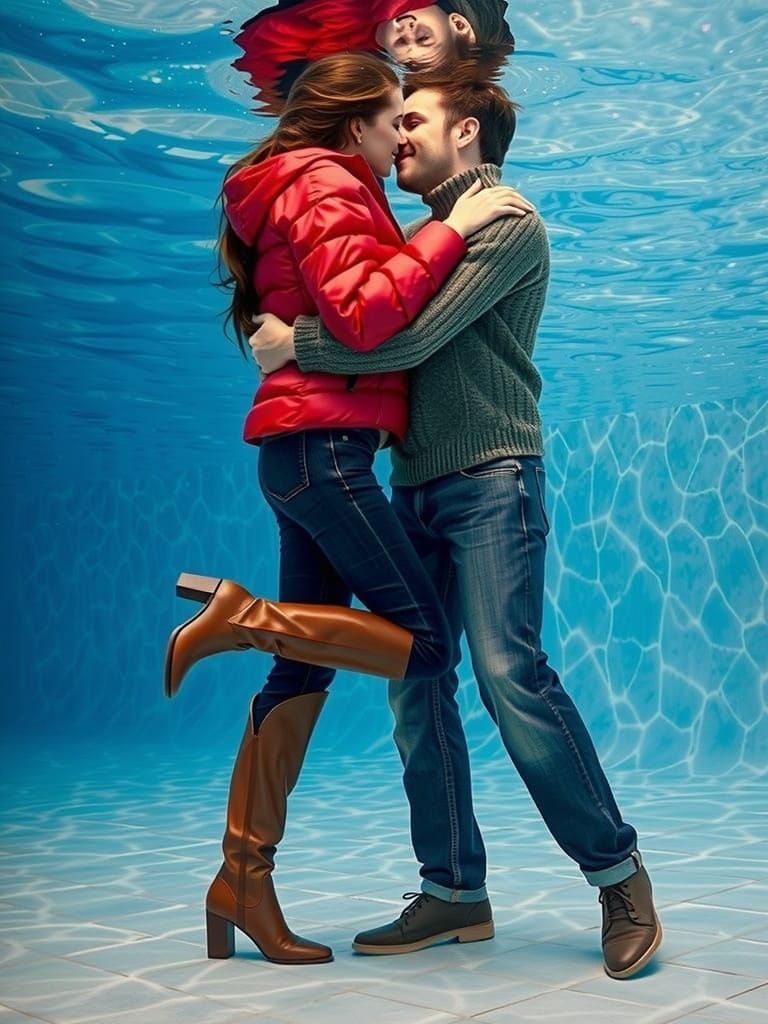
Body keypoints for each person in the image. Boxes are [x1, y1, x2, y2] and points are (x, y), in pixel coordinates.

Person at [248, 67, 663, 980]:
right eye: (393, 121)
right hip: (417, 482)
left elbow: (403, 338)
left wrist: (292, 345)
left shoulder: (503, 221)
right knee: (412, 684)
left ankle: (619, 875)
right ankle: (454, 892)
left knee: (510, 672)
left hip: (490, 478)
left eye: (417, 119)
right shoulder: (423, 230)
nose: (398, 134)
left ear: (467, 132)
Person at [165, 52, 527, 967]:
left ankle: (241, 880)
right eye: (393, 114)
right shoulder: (327, 178)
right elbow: (368, 317)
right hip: (326, 449)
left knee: (303, 673)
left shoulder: (295, 180)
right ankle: (240, 617)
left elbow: (337, 310)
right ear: (354, 120)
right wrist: (452, 232)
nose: (400, 128)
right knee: (431, 647)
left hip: (302, 449)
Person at [233, 1, 514, 113]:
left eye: (409, 57)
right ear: (458, 23)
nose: (407, 36)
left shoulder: (348, 49)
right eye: (425, 38)